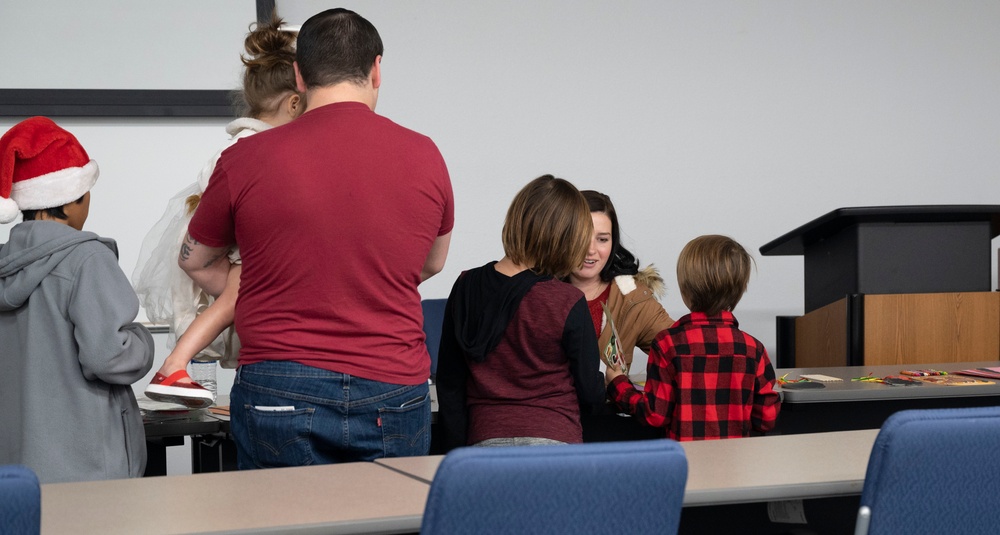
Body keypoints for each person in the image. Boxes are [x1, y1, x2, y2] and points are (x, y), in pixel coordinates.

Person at [180, 8, 454, 468]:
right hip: (394, 383)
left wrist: (267, 288)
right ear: (376, 69)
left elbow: (196, 261)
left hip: (279, 380)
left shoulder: (245, 157)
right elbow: (430, 264)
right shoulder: (425, 153)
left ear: (299, 76)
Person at [133, 14, 303, 408]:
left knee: (236, 303)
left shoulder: (238, 145)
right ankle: (174, 365)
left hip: (233, 245)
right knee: (233, 301)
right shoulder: (248, 152)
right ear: (293, 104)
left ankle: (176, 365)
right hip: (240, 247)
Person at [0, 116, 155, 483]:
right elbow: (110, 356)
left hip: (17, 466)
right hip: (88, 466)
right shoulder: (86, 259)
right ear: (70, 203)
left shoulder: (6, 264)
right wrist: (143, 341)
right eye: (87, 195)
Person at [436, 175, 606, 452]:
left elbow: (450, 383)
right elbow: (590, 393)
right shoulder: (567, 300)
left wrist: (458, 452)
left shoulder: (466, 286)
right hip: (555, 440)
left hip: (485, 440)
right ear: (565, 237)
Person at [605, 234, 781, 440]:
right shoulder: (754, 349)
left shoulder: (667, 344)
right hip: (736, 466)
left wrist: (618, 385)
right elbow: (766, 418)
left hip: (685, 464)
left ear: (685, 290)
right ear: (739, 290)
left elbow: (655, 415)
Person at [567, 190, 674, 374]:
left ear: (613, 242)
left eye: (602, 239)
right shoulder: (535, 291)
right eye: (581, 236)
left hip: (606, 403)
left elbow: (685, 351)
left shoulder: (632, 298)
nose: (591, 250)